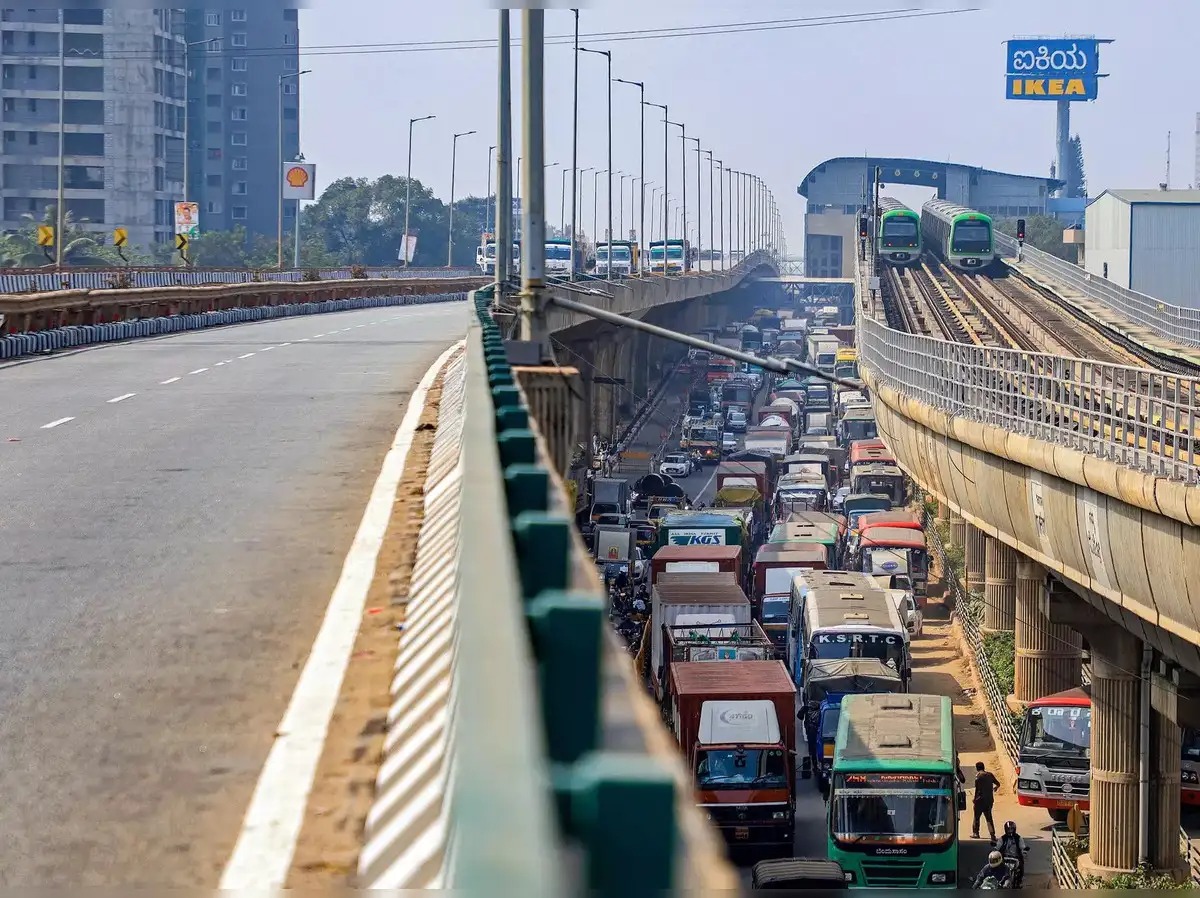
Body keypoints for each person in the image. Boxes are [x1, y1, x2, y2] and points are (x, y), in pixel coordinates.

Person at [972, 761, 1000, 842]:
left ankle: (976, 833)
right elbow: (998, 783)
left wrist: (975, 799)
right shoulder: (990, 775)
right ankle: (992, 835)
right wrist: (995, 788)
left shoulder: (978, 776)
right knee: (989, 818)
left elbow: (977, 790)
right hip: (989, 800)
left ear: (977, 768)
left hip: (980, 800)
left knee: (976, 817)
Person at [998, 820, 1029, 886]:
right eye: (1008, 829)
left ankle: (1019, 881)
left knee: (1020, 868)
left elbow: (1022, 846)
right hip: (1004, 858)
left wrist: (1024, 850)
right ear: (1005, 829)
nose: (1010, 831)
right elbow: (998, 846)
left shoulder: (1018, 838)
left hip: (1016, 858)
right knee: (997, 868)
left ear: (1014, 829)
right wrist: (995, 850)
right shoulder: (1002, 838)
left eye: (1011, 829)